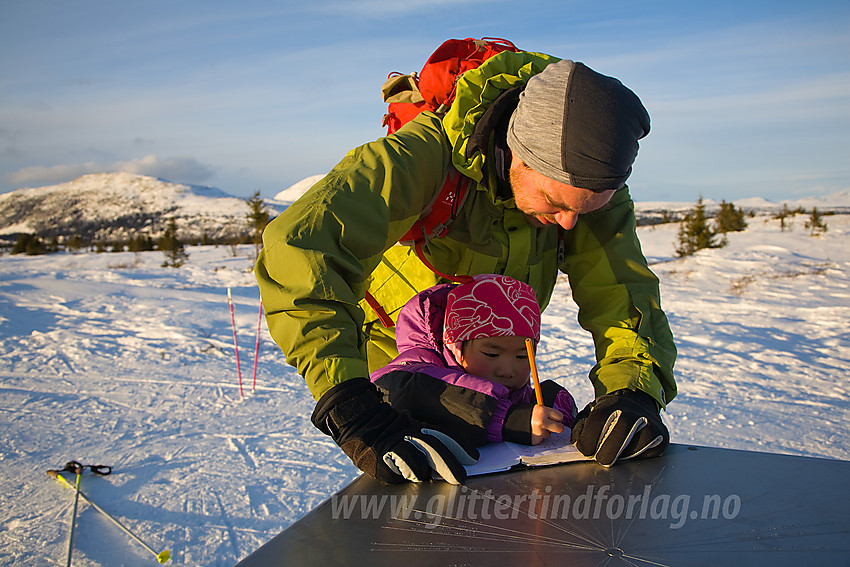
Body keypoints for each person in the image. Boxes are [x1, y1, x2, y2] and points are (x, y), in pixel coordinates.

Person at [255, 49, 677, 484]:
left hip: (498, 373)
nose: (569, 222)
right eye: (555, 203)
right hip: (400, 380)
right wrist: (350, 405)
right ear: (520, 153)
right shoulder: (422, 157)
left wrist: (633, 390)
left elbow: (622, 291)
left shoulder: (588, 182)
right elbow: (301, 249)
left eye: (585, 210)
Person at [371, 274, 578, 450]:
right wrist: (505, 419)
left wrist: (555, 414)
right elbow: (399, 391)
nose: (507, 370)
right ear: (456, 347)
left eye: (522, 356)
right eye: (491, 354)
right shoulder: (420, 366)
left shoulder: (511, 383)